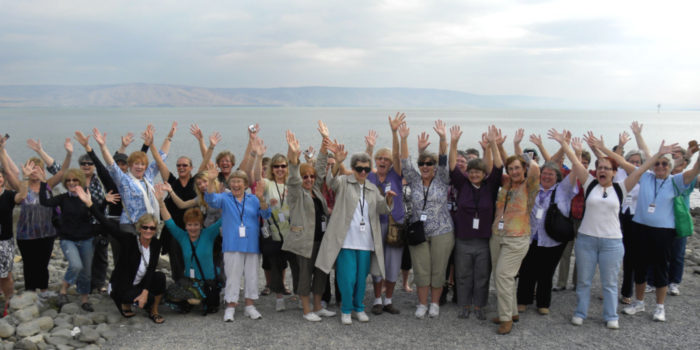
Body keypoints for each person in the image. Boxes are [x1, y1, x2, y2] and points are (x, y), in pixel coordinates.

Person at [548, 129, 674, 330]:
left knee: (609, 283)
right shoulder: (589, 184)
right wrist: (565, 144)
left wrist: (658, 155)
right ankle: (580, 312)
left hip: (612, 243)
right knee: (584, 281)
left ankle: (611, 315)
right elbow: (575, 161)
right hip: (586, 240)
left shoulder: (621, 187)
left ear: (614, 172)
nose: (602, 170)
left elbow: (640, 170)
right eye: (600, 167)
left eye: (607, 168)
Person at [618, 139, 700, 322]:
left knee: (661, 268)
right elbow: (622, 162)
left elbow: (695, 170)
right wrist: (601, 148)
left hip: (663, 232)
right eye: (657, 163)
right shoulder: (645, 176)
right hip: (640, 228)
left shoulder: (676, 181)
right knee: (640, 268)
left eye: (664, 164)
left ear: (670, 167)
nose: (660, 166)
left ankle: (660, 307)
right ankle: (639, 303)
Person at [315, 143, 395, 325]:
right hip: (346, 240)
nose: (363, 172)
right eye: (359, 168)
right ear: (353, 168)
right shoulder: (344, 182)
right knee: (347, 278)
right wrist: (337, 164)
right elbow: (330, 182)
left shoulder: (372, 188)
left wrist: (389, 198)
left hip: (366, 241)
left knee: (361, 278)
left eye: (366, 169)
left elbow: (383, 209)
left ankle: (359, 308)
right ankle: (346, 309)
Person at [77, 186, 166, 324]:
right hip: (123, 284)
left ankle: (153, 311)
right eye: (145, 227)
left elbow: (151, 268)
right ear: (139, 228)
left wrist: (145, 292)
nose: (148, 230)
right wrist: (90, 204)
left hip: (140, 281)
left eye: (152, 228)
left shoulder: (155, 244)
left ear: (155, 230)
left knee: (160, 278)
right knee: (144, 299)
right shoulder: (128, 239)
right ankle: (122, 301)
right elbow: (107, 224)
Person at [399, 120, 454, 319]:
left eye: (429, 163)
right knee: (421, 269)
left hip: (442, 232)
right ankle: (422, 304)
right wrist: (403, 138)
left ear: (435, 167)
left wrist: (442, 138)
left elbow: (444, 158)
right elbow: (405, 162)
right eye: (422, 163)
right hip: (418, 231)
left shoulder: (442, 179)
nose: (424, 166)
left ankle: (435, 303)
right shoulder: (413, 180)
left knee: (438, 270)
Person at [150, 128, 220, 282]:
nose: (181, 167)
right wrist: (151, 145)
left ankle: (197, 286)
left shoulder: (196, 181)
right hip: (175, 229)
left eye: (185, 165)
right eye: (179, 165)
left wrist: (210, 145)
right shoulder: (172, 181)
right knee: (176, 261)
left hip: (194, 228)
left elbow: (205, 162)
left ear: (191, 168)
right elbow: (160, 163)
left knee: (195, 259)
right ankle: (179, 287)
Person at [280, 129, 336, 321]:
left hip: (321, 240)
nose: (310, 179)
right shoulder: (296, 193)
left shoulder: (317, 191)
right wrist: (294, 157)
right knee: (305, 276)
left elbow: (320, 168)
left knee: (321, 275)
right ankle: (306, 310)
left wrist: (324, 141)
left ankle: (318, 306)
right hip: (305, 242)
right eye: (306, 177)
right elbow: (294, 177)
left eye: (311, 177)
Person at [450, 125, 503, 321]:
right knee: (463, 275)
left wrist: (492, 144)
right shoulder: (462, 184)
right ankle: (464, 304)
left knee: (482, 276)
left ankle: (479, 305)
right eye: (471, 172)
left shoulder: (490, 187)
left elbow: (498, 167)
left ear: (483, 174)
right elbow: (452, 166)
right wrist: (453, 143)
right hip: (463, 239)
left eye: (478, 172)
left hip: (483, 241)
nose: (474, 175)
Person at [489, 136, 540, 335]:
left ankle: (505, 318)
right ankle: (511, 311)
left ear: (524, 168)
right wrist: (497, 145)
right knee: (503, 277)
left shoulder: (530, 185)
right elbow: (502, 163)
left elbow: (535, 167)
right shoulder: (506, 182)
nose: (514, 171)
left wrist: (521, 153)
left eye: (518, 168)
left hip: (517, 238)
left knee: (503, 275)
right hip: (497, 235)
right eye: (511, 169)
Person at [204, 170, 270, 322]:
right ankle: (230, 307)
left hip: (251, 244)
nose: (235, 184)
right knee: (232, 276)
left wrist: (261, 198)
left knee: (252, 276)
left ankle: (249, 306)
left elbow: (266, 214)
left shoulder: (253, 199)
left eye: (239, 181)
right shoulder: (225, 198)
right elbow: (210, 200)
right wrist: (211, 181)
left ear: (245, 184)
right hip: (232, 244)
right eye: (233, 181)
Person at [516, 161, 578, 316]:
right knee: (526, 270)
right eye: (544, 173)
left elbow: (575, 172)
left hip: (553, 240)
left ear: (557, 177)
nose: (547, 176)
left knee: (546, 272)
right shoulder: (533, 188)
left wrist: (573, 152)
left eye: (551, 174)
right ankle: (523, 300)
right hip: (531, 237)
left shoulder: (563, 190)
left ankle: (543, 303)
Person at [12, 139, 72, 297]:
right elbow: (9, 173)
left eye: (37, 169)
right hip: (25, 234)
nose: (34, 173)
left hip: (47, 232)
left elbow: (63, 172)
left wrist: (69, 153)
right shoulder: (21, 185)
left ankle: (44, 291)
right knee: (29, 264)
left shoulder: (48, 185)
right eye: (31, 169)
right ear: (26, 170)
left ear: (43, 171)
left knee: (43, 264)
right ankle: (30, 292)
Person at [39, 165, 98, 311]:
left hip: (86, 239)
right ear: (65, 183)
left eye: (75, 180)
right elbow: (45, 202)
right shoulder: (63, 198)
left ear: (81, 181)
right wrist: (42, 183)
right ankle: (63, 289)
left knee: (86, 272)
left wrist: (103, 202)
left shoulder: (88, 197)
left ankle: (84, 299)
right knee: (76, 265)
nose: (72, 183)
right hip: (68, 239)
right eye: (69, 180)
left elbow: (98, 214)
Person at [157, 185, 222, 313]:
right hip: (190, 281)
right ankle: (191, 299)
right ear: (186, 226)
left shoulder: (208, 234)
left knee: (195, 300)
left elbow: (223, 219)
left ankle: (196, 299)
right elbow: (169, 222)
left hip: (207, 281)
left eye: (196, 225)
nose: (193, 228)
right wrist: (160, 202)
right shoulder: (182, 236)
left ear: (201, 225)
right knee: (169, 295)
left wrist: (222, 197)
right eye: (190, 225)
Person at [93, 125, 169, 232]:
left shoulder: (148, 176)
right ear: (130, 165)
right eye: (136, 164)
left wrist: (168, 138)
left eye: (142, 164)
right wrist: (103, 146)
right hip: (130, 225)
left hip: (149, 225)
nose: (139, 167)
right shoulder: (124, 180)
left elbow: (161, 158)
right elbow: (112, 165)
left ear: (145, 166)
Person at [369, 113, 406, 316]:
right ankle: (376, 300)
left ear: (391, 163)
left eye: (387, 159)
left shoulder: (396, 174)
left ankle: (389, 300)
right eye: (380, 158)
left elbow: (399, 156)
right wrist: (369, 148)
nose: (383, 161)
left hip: (394, 224)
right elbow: (357, 167)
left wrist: (394, 133)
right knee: (377, 263)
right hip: (376, 223)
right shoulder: (370, 176)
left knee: (393, 263)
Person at [0, 145, 32, 315]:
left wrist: (25, 178)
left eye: (0, 176)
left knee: (5, 275)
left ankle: (8, 300)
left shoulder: (8, 196)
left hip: (4, 241)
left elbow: (22, 196)